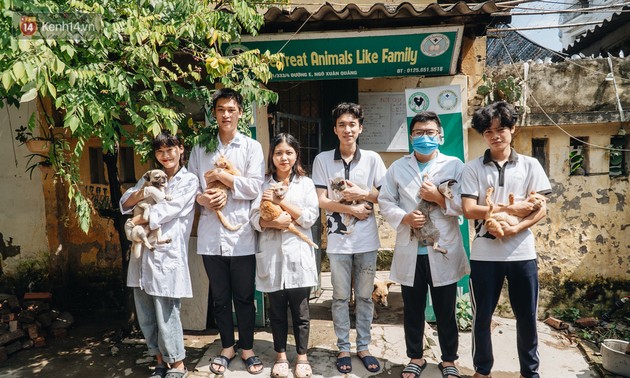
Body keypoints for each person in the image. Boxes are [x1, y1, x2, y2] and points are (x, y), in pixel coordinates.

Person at [460, 101, 551, 378]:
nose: (495, 135)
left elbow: (541, 208)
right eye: (488, 131)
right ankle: (482, 370)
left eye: (501, 129)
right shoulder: (472, 168)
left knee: (526, 318)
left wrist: (514, 228)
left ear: (513, 129)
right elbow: (468, 209)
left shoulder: (530, 165)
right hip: (485, 254)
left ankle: (529, 372)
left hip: (522, 253)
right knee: (481, 317)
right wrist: (510, 208)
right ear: (482, 135)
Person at [379, 111, 470, 378]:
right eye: (419, 133)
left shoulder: (454, 165)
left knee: (445, 309)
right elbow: (385, 201)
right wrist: (404, 217)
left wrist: (439, 199)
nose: (425, 138)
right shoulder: (397, 167)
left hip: (442, 249)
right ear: (411, 136)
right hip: (411, 249)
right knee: (413, 308)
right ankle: (415, 357)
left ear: (439, 136)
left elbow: (465, 204)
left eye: (430, 133)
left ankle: (449, 360)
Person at [187, 88, 265, 375]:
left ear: (240, 113)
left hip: (241, 235)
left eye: (231, 109)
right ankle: (226, 348)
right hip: (210, 235)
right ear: (214, 114)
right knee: (220, 298)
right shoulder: (201, 147)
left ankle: (247, 349)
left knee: (244, 297)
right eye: (221, 109)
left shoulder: (251, 147)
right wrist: (202, 199)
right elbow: (192, 185)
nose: (226, 114)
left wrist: (224, 177)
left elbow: (255, 186)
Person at [311, 102, 386, 374]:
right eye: (342, 124)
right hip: (338, 242)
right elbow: (321, 200)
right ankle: (344, 347)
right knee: (341, 297)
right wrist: (349, 208)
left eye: (352, 124)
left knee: (365, 297)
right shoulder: (322, 160)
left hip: (367, 241)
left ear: (360, 128)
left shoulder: (373, 160)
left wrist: (363, 194)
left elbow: (383, 196)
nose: (347, 129)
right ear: (335, 129)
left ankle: (363, 347)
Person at [120, 131, 199, 378]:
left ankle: (177, 364)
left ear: (181, 149)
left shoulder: (188, 181)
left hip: (166, 253)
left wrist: (136, 221)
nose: (165, 156)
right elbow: (125, 203)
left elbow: (168, 210)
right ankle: (159, 361)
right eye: (160, 152)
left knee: (166, 313)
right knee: (145, 314)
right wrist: (143, 191)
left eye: (170, 150)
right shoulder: (149, 178)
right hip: (141, 257)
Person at [250, 133, 319, 378]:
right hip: (271, 255)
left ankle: (302, 357)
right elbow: (253, 219)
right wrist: (272, 223)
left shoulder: (306, 183)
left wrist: (283, 202)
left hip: (298, 257)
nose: (283, 157)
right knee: (276, 311)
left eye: (289, 152)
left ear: (296, 155)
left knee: (301, 312)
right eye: (278, 152)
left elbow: (310, 217)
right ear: (272, 156)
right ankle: (280, 356)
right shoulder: (262, 183)